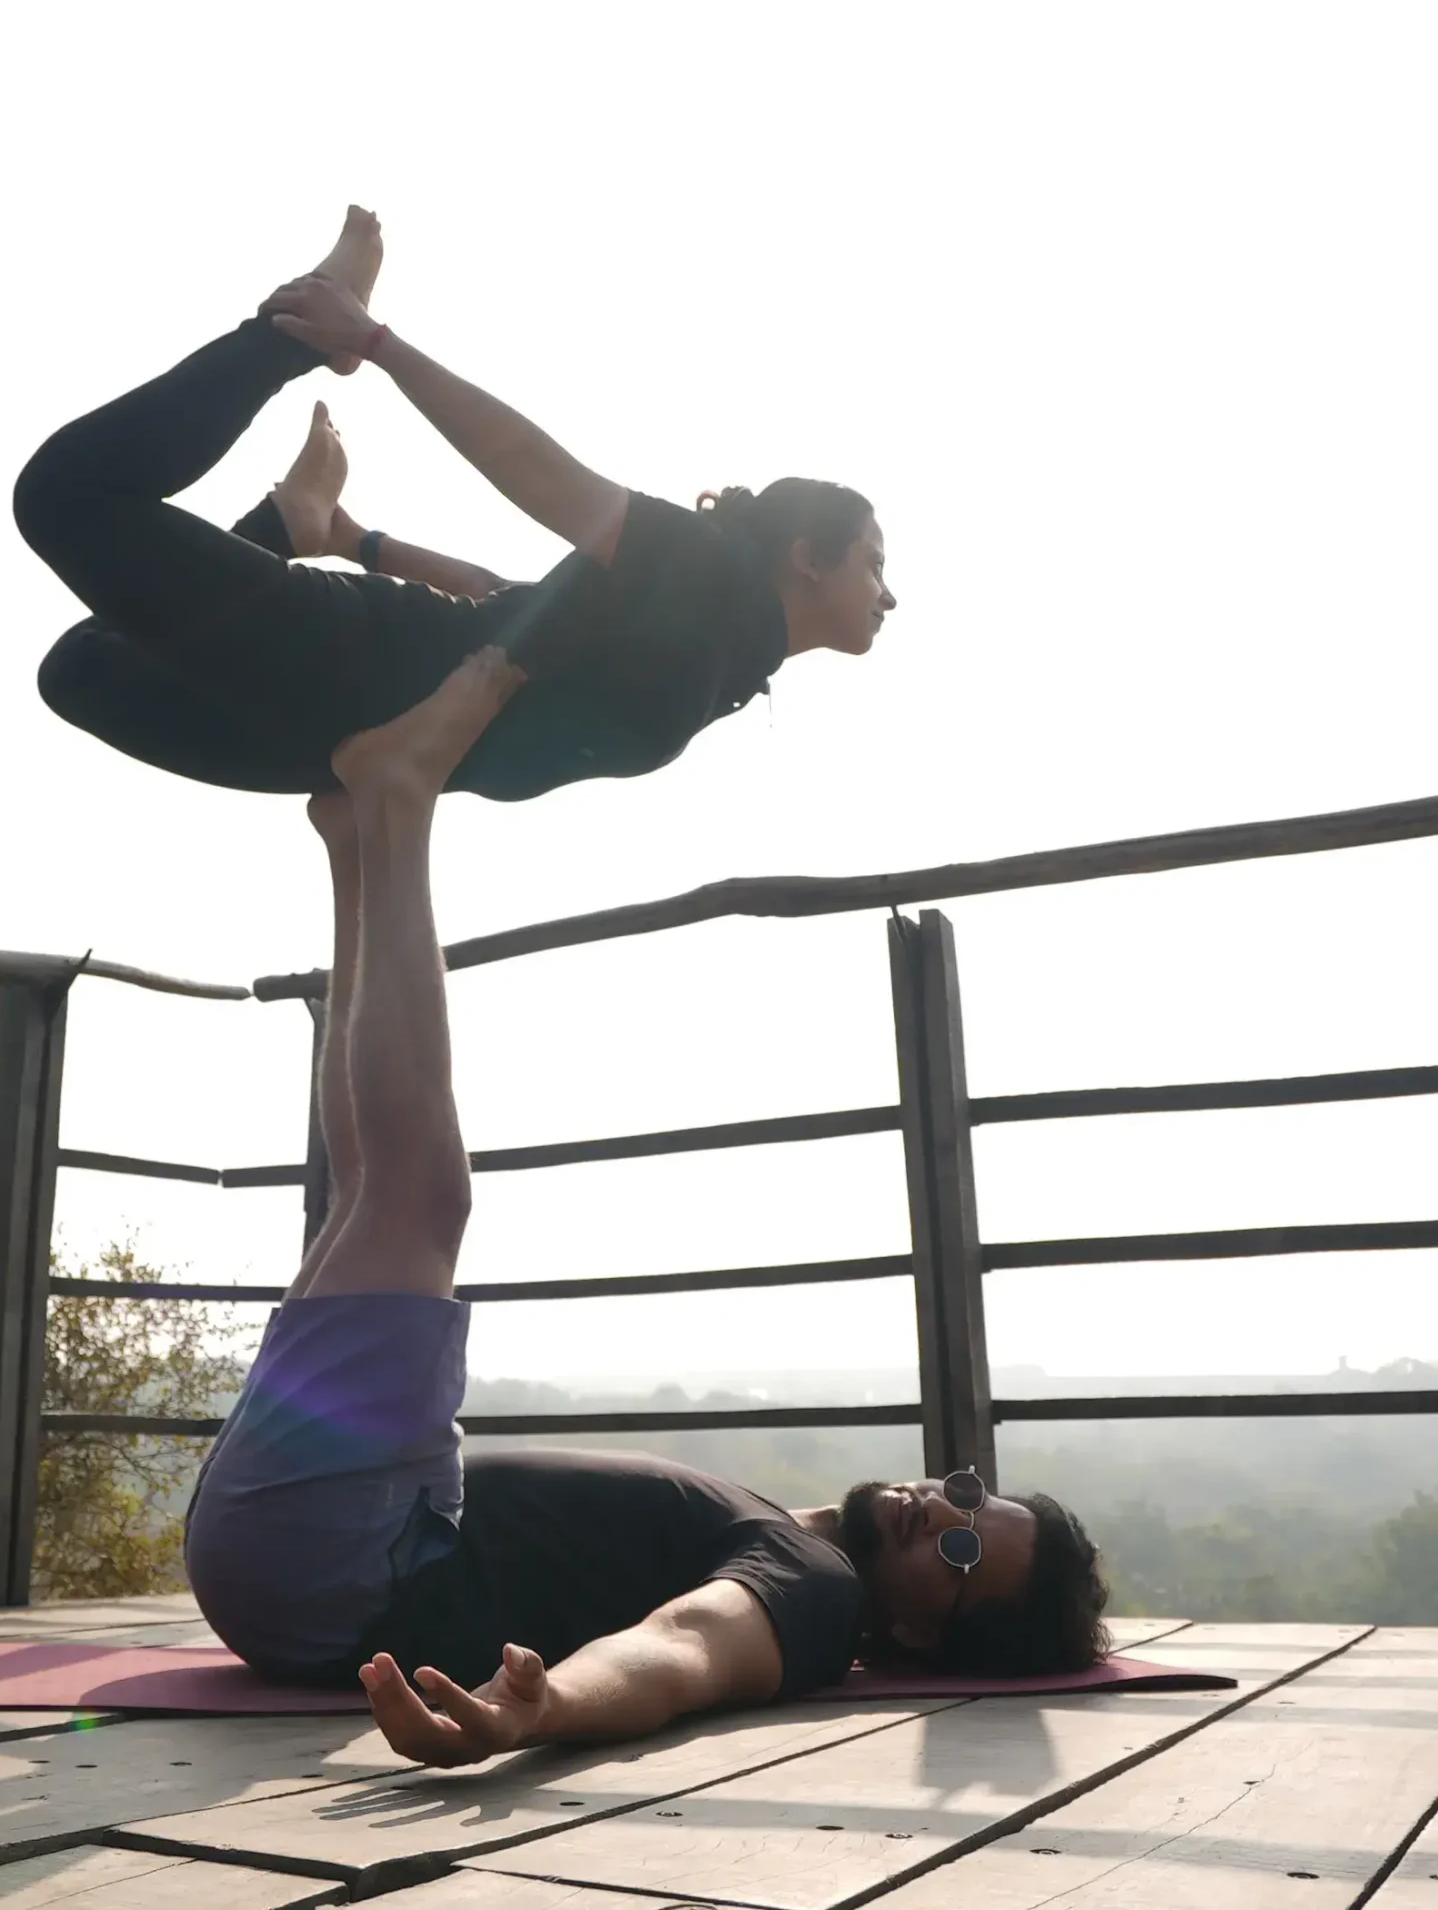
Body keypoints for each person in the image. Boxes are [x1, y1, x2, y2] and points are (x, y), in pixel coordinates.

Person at [183, 655, 1110, 1765]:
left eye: (959, 1556)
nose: (937, 1512)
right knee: (369, 1184)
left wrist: (549, 1707)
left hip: (348, 1560)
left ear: (916, 1630)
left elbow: (685, 1648)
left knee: (416, 1194)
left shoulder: (811, 1590)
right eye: (970, 1499)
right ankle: (362, 840)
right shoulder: (789, 1532)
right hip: (330, 1541)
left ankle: (402, 802)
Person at [13, 210, 894, 801]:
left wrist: (363, 540)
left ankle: (289, 526)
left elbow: (509, 597)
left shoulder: (732, 661)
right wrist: (376, 344)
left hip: (336, 745)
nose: (887, 594)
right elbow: (538, 473)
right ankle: (286, 337)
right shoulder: (711, 573)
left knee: (79, 670)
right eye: (873, 563)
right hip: (356, 661)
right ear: (806, 554)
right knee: (62, 496)